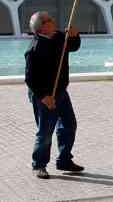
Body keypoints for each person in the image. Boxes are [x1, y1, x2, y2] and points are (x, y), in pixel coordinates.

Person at [24, 11, 84, 179]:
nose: (53, 20)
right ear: (41, 27)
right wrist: (44, 97)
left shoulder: (58, 36)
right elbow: (30, 78)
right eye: (49, 20)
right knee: (45, 131)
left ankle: (64, 160)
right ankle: (39, 165)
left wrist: (75, 36)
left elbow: (73, 46)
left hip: (61, 91)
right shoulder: (34, 49)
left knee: (69, 125)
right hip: (44, 95)